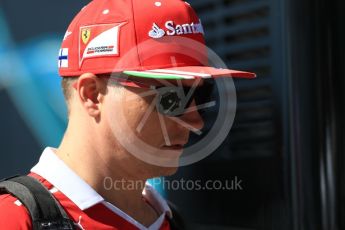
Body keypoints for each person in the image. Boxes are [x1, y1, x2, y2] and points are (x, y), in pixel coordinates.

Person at [0, 0, 255, 229]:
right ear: (91, 94)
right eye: (171, 97)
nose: (195, 121)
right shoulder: (12, 220)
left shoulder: (171, 221)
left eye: (202, 96)